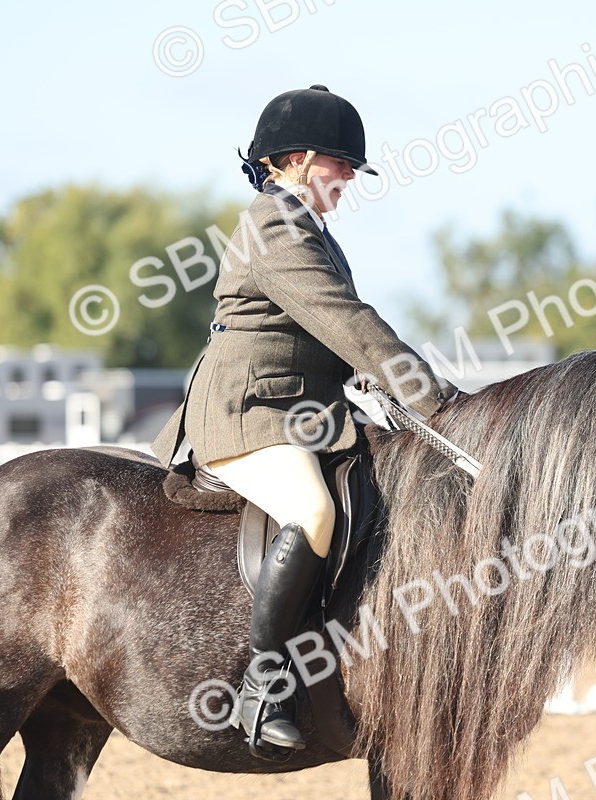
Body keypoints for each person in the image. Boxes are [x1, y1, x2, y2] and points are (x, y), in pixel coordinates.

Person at [152, 84, 457, 758]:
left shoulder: (309, 226)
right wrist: (437, 403)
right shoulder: (274, 224)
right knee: (313, 511)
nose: (350, 177)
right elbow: (346, 323)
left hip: (302, 411)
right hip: (248, 411)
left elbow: (334, 336)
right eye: (340, 163)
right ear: (292, 159)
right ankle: (263, 684)